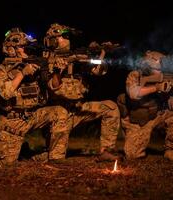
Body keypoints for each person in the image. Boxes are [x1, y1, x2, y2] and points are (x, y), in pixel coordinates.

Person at [43, 23, 121, 162]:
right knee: (56, 158)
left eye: (68, 36)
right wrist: (58, 70)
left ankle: (106, 151)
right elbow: (54, 87)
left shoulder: (75, 58)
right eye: (63, 36)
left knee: (111, 108)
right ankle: (44, 153)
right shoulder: (46, 60)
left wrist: (102, 52)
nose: (67, 39)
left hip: (78, 109)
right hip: (58, 113)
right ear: (52, 40)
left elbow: (98, 71)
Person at [0, 28, 69, 165]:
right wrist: (22, 73)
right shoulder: (2, 70)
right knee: (7, 163)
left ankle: (56, 158)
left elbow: (53, 86)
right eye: (22, 47)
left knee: (59, 112)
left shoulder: (35, 64)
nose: (26, 50)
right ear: (11, 49)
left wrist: (57, 71)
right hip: (13, 121)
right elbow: (5, 94)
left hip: (33, 116)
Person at [118, 50, 173, 162]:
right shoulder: (135, 75)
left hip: (156, 115)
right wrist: (157, 87)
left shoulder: (166, 78)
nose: (160, 71)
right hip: (138, 121)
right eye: (157, 69)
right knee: (132, 155)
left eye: (160, 69)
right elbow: (133, 93)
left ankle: (171, 151)